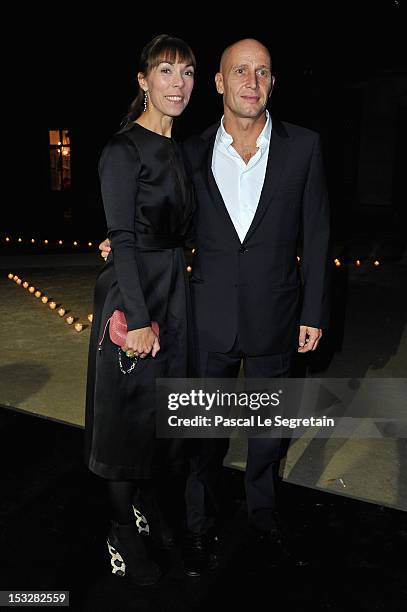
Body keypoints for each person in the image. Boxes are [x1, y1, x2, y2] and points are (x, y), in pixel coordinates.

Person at [100, 37, 330, 576]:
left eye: (264, 72)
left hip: (278, 313)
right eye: (240, 71)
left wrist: (314, 311)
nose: (253, 82)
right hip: (206, 316)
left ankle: (263, 516)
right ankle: (199, 526)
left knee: (270, 428)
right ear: (221, 83)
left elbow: (318, 235)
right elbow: (159, 215)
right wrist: (120, 238)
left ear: (273, 83)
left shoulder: (305, 147)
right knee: (204, 431)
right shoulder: (191, 152)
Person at [85, 34, 196, 586]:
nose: (178, 84)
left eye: (187, 73)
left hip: (173, 290)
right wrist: (138, 315)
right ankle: (119, 533)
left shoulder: (181, 150)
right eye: (166, 72)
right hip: (135, 295)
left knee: (161, 419)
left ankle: (144, 510)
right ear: (144, 81)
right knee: (126, 423)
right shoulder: (121, 150)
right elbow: (123, 238)